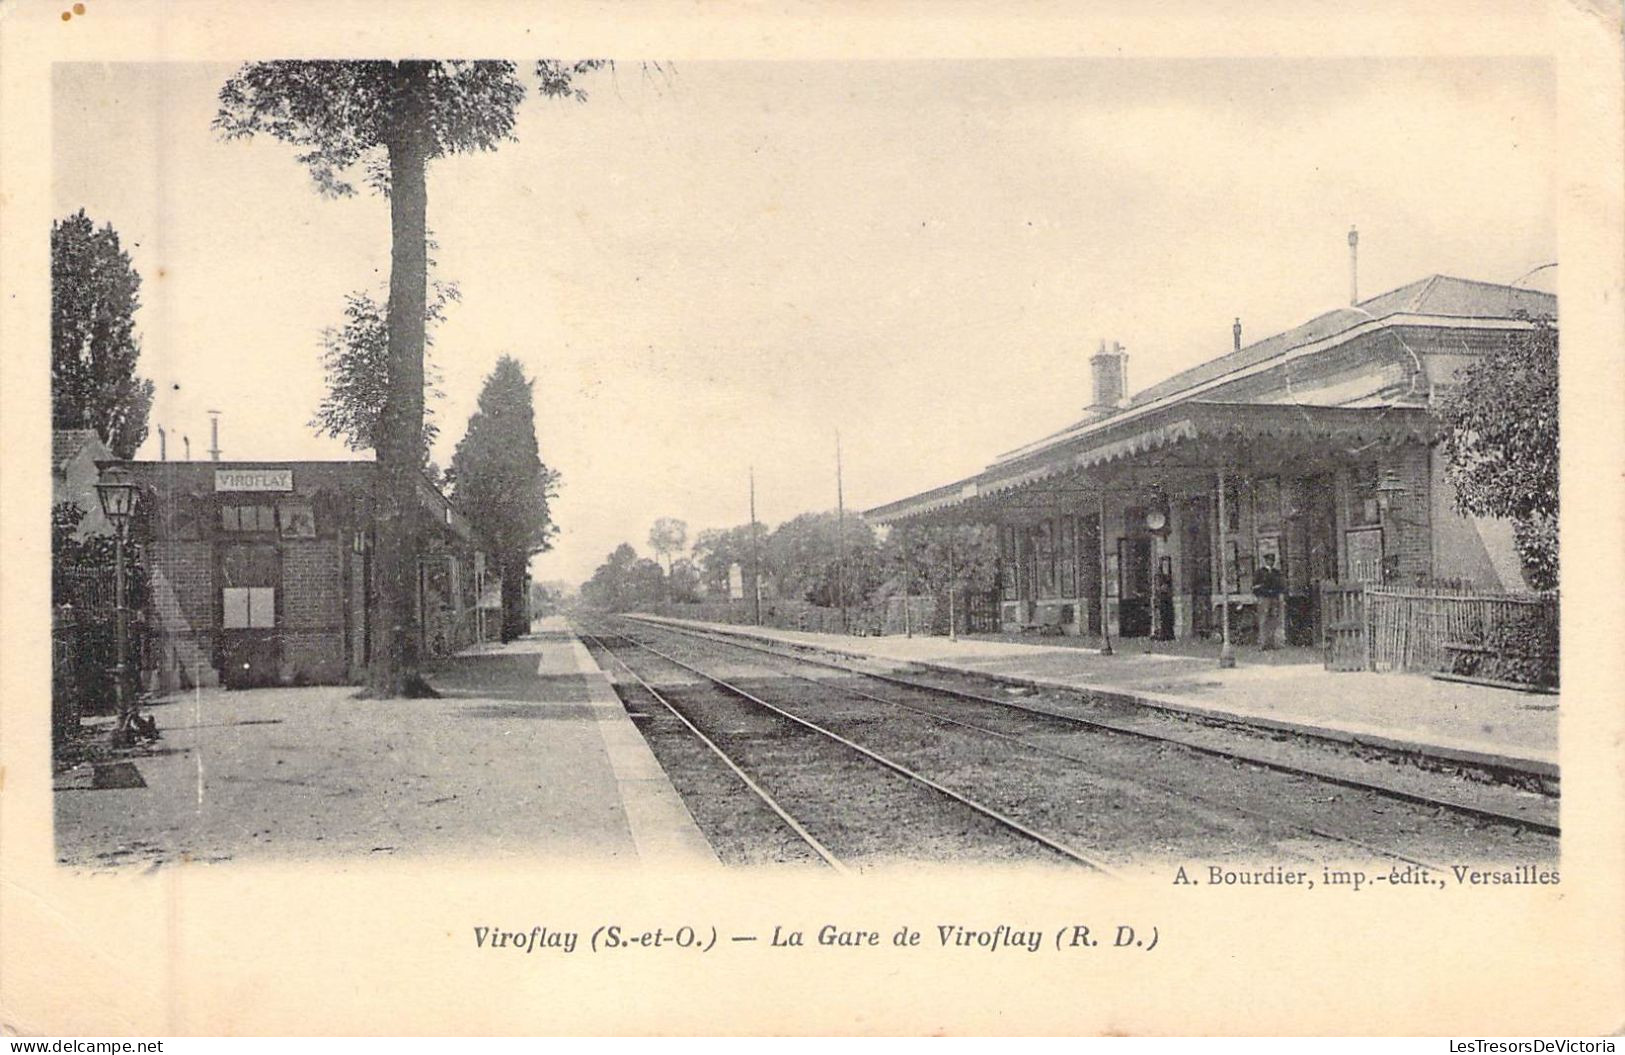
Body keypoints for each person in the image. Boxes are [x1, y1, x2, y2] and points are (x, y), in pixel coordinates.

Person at [1252, 552, 1286, 650]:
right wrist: (1260, 595)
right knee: (1263, 620)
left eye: (1272, 560)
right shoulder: (1260, 572)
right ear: (1265, 561)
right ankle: (1263, 644)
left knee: (1274, 620)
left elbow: (1281, 585)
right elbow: (1255, 586)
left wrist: (1278, 594)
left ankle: (1274, 643)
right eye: (1269, 560)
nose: (1271, 562)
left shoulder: (1276, 573)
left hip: (1274, 598)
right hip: (1264, 598)